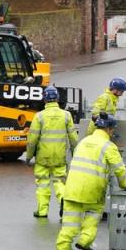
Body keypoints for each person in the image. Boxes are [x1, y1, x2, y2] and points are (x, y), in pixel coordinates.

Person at [56, 113, 126, 250]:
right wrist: (123, 184)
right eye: (112, 129)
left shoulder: (83, 141)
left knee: (70, 221)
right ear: (108, 129)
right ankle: (85, 241)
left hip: (73, 187)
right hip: (93, 190)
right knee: (92, 216)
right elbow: (119, 169)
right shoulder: (108, 146)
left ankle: (63, 248)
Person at [25, 86, 79, 219]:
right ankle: (64, 202)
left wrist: (29, 156)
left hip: (43, 157)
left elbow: (32, 139)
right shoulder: (66, 115)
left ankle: (42, 212)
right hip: (59, 156)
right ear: (57, 99)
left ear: (45, 99)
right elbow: (73, 138)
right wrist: (74, 153)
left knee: (42, 183)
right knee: (60, 181)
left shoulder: (39, 116)